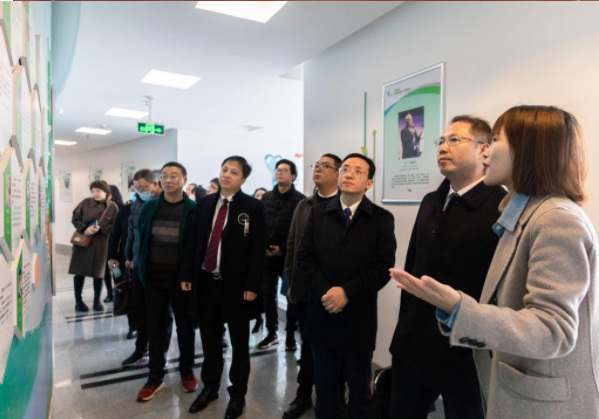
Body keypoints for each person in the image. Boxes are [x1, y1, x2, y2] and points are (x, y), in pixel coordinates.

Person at [391, 105, 599, 419]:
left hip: (538, 400)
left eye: (497, 140)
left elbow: (553, 329)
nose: (487, 150)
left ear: (529, 150)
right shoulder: (524, 214)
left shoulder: (557, 219)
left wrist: (459, 308)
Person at [389, 116, 507, 419]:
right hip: (414, 343)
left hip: (467, 350)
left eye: (455, 140)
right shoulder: (431, 201)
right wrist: (401, 335)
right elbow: (413, 269)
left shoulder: (501, 206)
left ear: (484, 150)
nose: (443, 147)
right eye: (440, 141)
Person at [297, 153, 396, 419]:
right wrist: (326, 292)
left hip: (358, 317)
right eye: (345, 169)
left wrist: (346, 293)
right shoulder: (318, 213)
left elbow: (382, 267)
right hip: (322, 313)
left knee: (360, 390)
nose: (349, 174)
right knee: (325, 389)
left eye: (358, 171)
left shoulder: (381, 219)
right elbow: (304, 257)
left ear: (369, 183)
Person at [182, 156, 266, 419]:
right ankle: (210, 388)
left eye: (234, 172)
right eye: (224, 169)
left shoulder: (253, 207)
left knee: (239, 345)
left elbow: (258, 249)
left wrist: (253, 284)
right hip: (207, 283)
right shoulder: (205, 203)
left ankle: (237, 394)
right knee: (210, 341)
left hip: (238, 287)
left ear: (243, 179)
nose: (227, 174)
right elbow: (193, 241)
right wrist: (187, 274)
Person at [283, 153, 342, 419]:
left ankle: (336, 398)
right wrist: (290, 282)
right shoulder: (304, 205)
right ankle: (303, 394)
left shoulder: (345, 204)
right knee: (307, 346)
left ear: (337, 174)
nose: (317, 169)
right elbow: (292, 245)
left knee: (335, 347)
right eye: (315, 165)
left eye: (324, 166)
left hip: (334, 292)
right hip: (305, 289)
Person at [135, 162, 197, 402]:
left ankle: (186, 371)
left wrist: (188, 276)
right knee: (155, 328)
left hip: (182, 281)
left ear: (184, 180)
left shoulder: (193, 210)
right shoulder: (149, 207)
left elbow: (195, 247)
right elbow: (142, 240)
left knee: (185, 328)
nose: (168, 180)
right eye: (164, 176)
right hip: (153, 278)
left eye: (174, 176)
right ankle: (155, 376)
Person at [121, 169, 172, 368]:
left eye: (143, 187)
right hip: (138, 265)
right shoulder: (137, 203)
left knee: (163, 314)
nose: (139, 191)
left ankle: (162, 351)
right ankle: (141, 348)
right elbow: (131, 231)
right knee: (139, 310)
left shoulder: (166, 203)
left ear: (154, 184)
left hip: (161, 266)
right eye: (136, 188)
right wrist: (128, 256)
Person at [259, 159, 305, 350]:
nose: (279, 173)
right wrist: (263, 246)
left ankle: (290, 335)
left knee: (291, 295)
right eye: (278, 170)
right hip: (266, 256)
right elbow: (260, 224)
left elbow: (301, 232)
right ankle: (272, 332)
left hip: (288, 257)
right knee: (267, 295)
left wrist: (282, 248)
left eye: (284, 170)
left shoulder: (301, 201)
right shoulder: (267, 197)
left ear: (293, 176)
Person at [68, 180, 118, 312]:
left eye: (98, 191)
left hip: (101, 244)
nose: (95, 194)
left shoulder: (112, 206)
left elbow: (116, 225)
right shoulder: (85, 203)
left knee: (98, 273)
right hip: (83, 243)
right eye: (93, 191)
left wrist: (102, 230)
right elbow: (75, 218)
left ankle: (97, 301)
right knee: (79, 272)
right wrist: (84, 228)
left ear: (106, 192)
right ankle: (78, 301)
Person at [107, 181, 137, 338]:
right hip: (125, 259)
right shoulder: (125, 210)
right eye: (133, 189)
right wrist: (111, 257)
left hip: (144, 260)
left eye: (141, 188)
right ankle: (133, 325)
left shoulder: (153, 208)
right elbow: (115, 235)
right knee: (127, 291)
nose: (136, 191)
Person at [251, 186, 268, 334]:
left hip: (267, 260)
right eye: (257, 195)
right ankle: (258, 319)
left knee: (265, 293)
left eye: (263, 195)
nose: (260, 198)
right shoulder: (250, 213)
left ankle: (264, 322)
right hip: (252, 260)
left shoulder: (269, 214)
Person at [103, 185, 125, 303]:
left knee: (116, 270)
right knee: (105, 270)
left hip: (118, 246)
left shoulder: (122, 209)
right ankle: (109, 292)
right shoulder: (104, 208)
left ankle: (119, 290)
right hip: (106, 245)